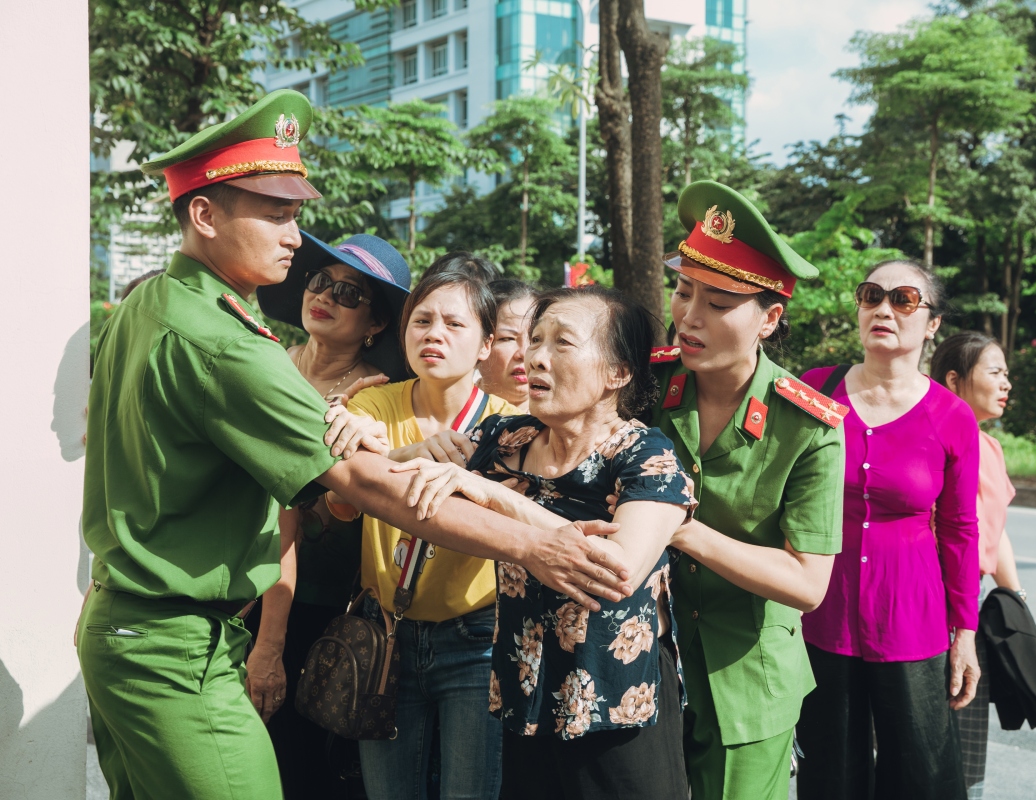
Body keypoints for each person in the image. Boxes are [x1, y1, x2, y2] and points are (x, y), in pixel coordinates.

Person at [79, 88, 633, 800]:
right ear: (205, 214)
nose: (292, 234)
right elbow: (364, 488)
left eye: (296, 213)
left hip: (132, 628)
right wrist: (536, 546)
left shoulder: (152, 303)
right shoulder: (225, 343)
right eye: (275, 213)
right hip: (176, 650)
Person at [391, 285, 695, 800]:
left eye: (562, 343)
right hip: (523, 695)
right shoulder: (505, 439)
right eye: (534, 340)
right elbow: (403, 486)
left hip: (614, 706)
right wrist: (399, 448)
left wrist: (493, 495)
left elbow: (615, 571)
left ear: (617, 374)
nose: (535, 356)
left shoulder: (647, 455)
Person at [645, 181, 846, 800]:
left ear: (770, 318)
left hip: (747, 685)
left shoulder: (809, 426)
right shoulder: (645, 385)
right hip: (639, 665)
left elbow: (807, 582)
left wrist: (678, 527)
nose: (690, 315)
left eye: (720, 302)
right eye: (683, 291)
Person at [328, 259, 521, 800]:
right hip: (385, 634)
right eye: (422, 320)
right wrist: (402, 454)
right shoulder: (372, 405)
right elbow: (342, 507)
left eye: (455, 324)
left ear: (486, 343)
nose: (435, 333)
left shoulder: (510, 425)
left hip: (477, 641)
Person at [796, 260, 982, 800]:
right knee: (830, 771)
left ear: (932, 324)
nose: (883, 308)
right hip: (821, 616)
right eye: (871, 295)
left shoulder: (952, 416)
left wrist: (964, 634)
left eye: (903, 299)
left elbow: (960, 530)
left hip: (913, 621)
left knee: (923, 771)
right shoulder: (814, 391)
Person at [247, 231, 413, 799]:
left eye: (349, 293)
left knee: (306, 767)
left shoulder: (379, 399)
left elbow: (343, 508)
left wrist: (345, 434)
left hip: (325, 608)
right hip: (238, 590)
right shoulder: (263, 363)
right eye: (320, 281)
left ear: (376, 324)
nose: (325, 296)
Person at [931, 331, 1023, 800]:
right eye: (995, 372)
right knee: (919, 744)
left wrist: (1018, 604)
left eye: (1006, 373)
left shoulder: (990, 448)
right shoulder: (932, 437)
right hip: (933, 608)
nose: (1006, 382)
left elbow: (994, 528)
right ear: (954, 379)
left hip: (968, 612)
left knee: (964, 748)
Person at [478, 279, 538, 412]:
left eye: (535, 339)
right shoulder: (450, 410)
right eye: (507, 339)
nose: (523, 353)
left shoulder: (559, 422)